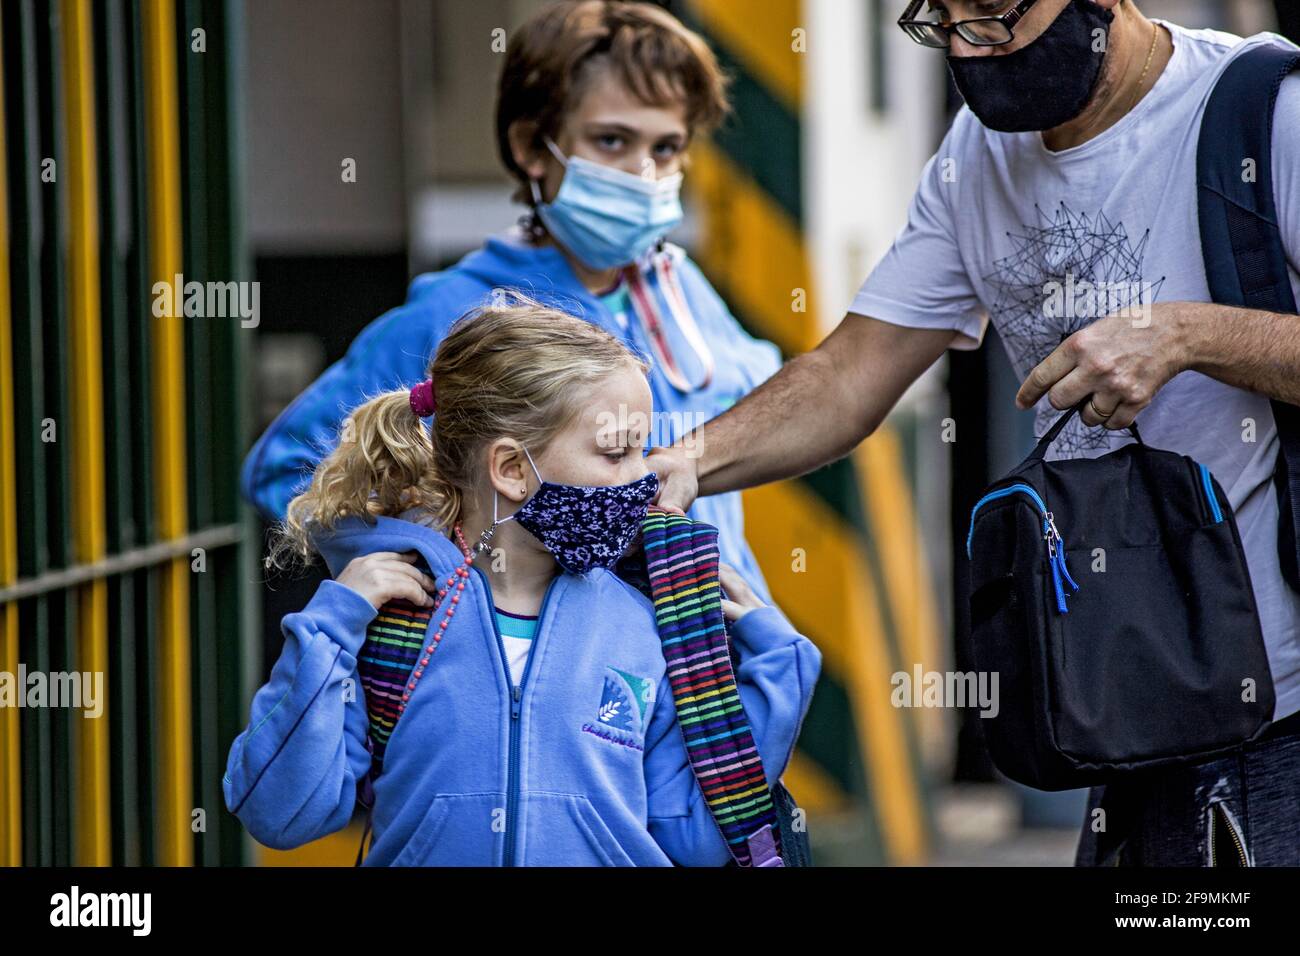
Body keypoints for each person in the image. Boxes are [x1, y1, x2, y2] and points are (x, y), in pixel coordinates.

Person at [646, 0, 1300, 865]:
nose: (967, 45)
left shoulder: (1266, 109)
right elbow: (849, 375)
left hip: (1281, 712)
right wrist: (684, 464)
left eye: (993, 12)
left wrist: (1186, 335)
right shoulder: (976, 157)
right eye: (939, 18)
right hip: (1126, 710)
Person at [222, 299, 821, 866]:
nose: (648, 478)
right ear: (511, 470)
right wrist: (331, 626)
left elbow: (691, 837)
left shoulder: (647, 620)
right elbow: (280, 814)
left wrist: (778, 663)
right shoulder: (391, 620)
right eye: (618, 453)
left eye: (646, 449)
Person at [239, 0, 781, 600]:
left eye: (666, 147)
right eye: (611, 140)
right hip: (562, 680)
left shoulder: (685, 293)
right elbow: (289, 468)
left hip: (705, 660)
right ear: (531, 146)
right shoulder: (459, 312)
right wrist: (446, 570)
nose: (642, 173)